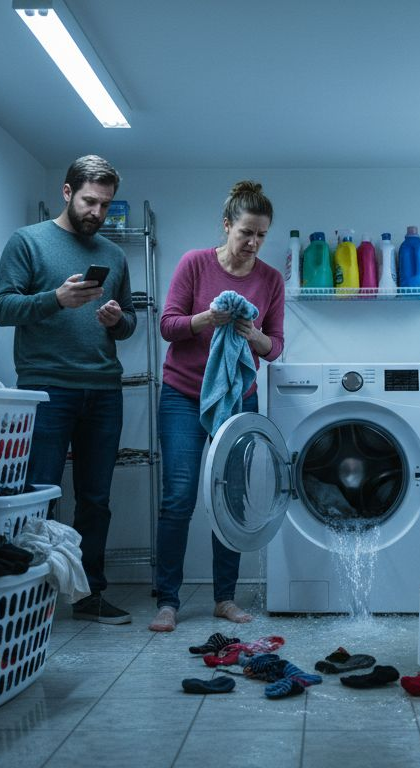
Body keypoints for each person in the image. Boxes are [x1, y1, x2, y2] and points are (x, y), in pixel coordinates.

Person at [0, 155, 136, 624]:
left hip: (103, 389)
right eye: (91, 201)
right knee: (39, 496)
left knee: (96, 500)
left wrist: (117, 321)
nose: (98, 212)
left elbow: (129, 322)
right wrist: (55, 298)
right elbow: (2, 307)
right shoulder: (27, 242)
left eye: (107, 205)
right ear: (68, 192)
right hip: (47, 388)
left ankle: (89, 594)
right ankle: (31, 600)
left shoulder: (113, 256)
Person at [149, 180, 285, 632]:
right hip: (183, 396)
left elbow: (276, 347)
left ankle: (224, 598)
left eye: (262, 234)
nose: (253, 242)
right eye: (246, 232)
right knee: (179, 495)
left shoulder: (270, 280)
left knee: (229, 497)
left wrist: (252, 334)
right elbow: (168, 326)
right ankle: (167, 600)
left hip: (236, 398)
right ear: (226, 225)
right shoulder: (195, 264)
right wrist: (208, 318)